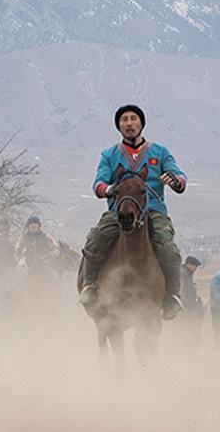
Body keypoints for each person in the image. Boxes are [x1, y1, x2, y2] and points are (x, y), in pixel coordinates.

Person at [78, 104, 186, 317]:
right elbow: (98, 183)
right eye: (124, 120)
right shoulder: (109, 155)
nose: (129, 123)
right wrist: (108, 189)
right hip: (119, 210)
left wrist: (175, 180)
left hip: (153, 210)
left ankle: (172, 296)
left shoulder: (160, 152)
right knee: (96, 238)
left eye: (133, 118)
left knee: (168, 247)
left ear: (141, 124)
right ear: (119, 126)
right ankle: (89, 286)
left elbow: (180, 178)